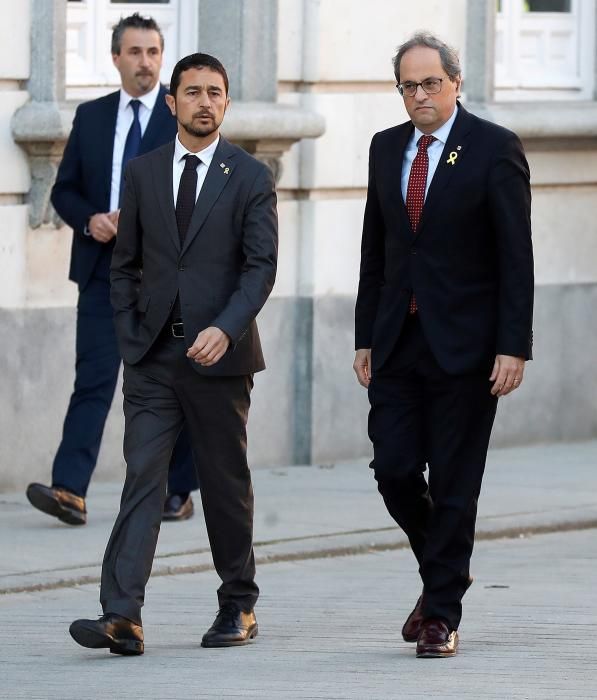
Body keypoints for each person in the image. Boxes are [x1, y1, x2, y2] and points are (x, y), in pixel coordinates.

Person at [69, 52, 278, 656]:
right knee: (143, 479)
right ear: (172, 102)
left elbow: (260, 267)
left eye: (215, 92)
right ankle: (122, 615)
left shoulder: (249, 176)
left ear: (227, 103)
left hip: (221, 360)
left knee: (224, 482)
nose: (205, 102)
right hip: (153, 358)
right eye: (193, 92)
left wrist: (228, 327)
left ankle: (238, 601)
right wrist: (132, 335)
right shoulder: (142, 173)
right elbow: (125, 264)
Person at [353, 32, 533, 658]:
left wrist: (514, 345)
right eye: (410, 85)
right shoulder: (385, 149)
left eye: (432, 82)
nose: (421, 94)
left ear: (456, 82)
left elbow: (517, 257)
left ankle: (441, 616)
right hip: (397, 341)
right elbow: (375, 251)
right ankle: (447, 570)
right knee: (395, 469)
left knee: (455, 482)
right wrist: (364, 337)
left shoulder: (493, 149)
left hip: (468, 348)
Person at [26, 13, 198, 526]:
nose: (145, 62)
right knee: (93, 382)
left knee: (177, 385)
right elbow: (65, 190)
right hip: (105, 274)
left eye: (153, 52)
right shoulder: (93, 117)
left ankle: (178, 489)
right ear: (116, 57)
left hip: (169, 279)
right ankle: (70, 490)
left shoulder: (181, 116)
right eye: (135, 52)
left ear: (161, 58)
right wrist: (89, 220)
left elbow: (200, 191)